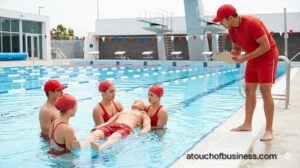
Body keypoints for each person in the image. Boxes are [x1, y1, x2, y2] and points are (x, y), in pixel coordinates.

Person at [212, 4, 279, 141]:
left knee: (265, 90)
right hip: (252, 58)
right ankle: (247, 124)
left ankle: (268, 130)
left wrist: (245, 58)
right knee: (249, 89)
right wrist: (233, 56)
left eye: (221, 20)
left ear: (230, 17)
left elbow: (265, 46)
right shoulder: (231, 30)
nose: (220, 23)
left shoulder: (252, 23)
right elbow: (236, 47)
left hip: (267, 57)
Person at [72, 100, 151, 151]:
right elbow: (109, 122)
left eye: (139, 102)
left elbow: (147, 125)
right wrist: (99, 127)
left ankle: (100, 148)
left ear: (143, 107)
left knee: (114, 137)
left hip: (126, 127)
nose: (135, 102)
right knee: (96, 133)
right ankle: (82, 144)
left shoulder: (143, 114)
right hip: (114, 124)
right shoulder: (123, 111)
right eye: (134, 101)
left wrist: (144, 131)